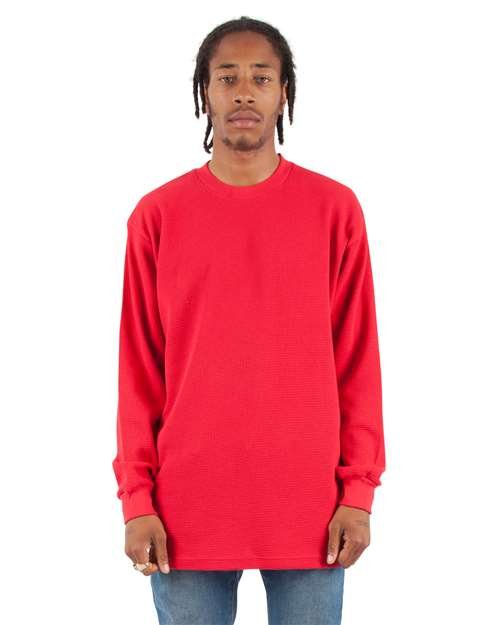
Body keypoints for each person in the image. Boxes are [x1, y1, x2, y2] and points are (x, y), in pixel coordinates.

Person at [112, 16, 386, 625]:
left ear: (283, 92)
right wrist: (137, 500)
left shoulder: (334, 210)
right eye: (226, 77)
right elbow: (139, 369)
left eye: (261, 78)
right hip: (185, 510)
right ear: (204, 91)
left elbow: (357, 361)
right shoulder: (157, 216)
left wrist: (359, 493)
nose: (243, 92)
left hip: (312, 509)